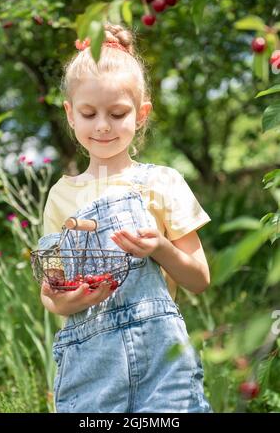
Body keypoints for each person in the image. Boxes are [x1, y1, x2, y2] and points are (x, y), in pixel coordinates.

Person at [38, 22, 213, 413]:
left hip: (162, 364)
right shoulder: (60, 197)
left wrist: (162, 248)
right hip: (90, 369)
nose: (102, 125)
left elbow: (199, 279)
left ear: (141, 114)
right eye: (88, 113)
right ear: (70, 113)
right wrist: (69, 300)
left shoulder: (163, 182)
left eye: (117, 113)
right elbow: (50, 291)